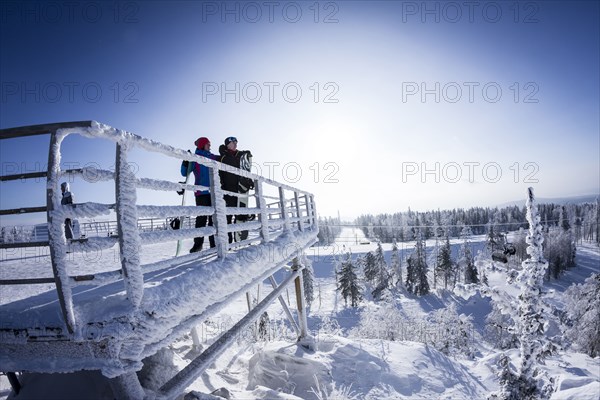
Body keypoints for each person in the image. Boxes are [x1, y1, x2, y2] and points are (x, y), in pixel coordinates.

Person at [181, 137, 219, 253]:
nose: (210, 146)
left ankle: (214, 244)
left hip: (213, 192)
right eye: (208, 144)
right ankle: (198, 245)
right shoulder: (195, 158)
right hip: (201, 193)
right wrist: (185, 161)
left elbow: (223, 159)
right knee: (201, 219)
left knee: (214, 219)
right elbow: (184, 173)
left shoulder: (212, 157)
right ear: (202, 145)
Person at [218, 136, 253, 243]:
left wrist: (249, 180)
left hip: (240, 190)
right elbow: (220, 174)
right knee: (227, 219)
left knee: (241, 215)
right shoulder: (223, 158)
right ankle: (227, 244)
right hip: (228, 191)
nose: (235, 144)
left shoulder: (240, 156)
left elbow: (245, 170)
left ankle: (240, 240)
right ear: (227, 144)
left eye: (236, 142)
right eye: (233, 142)